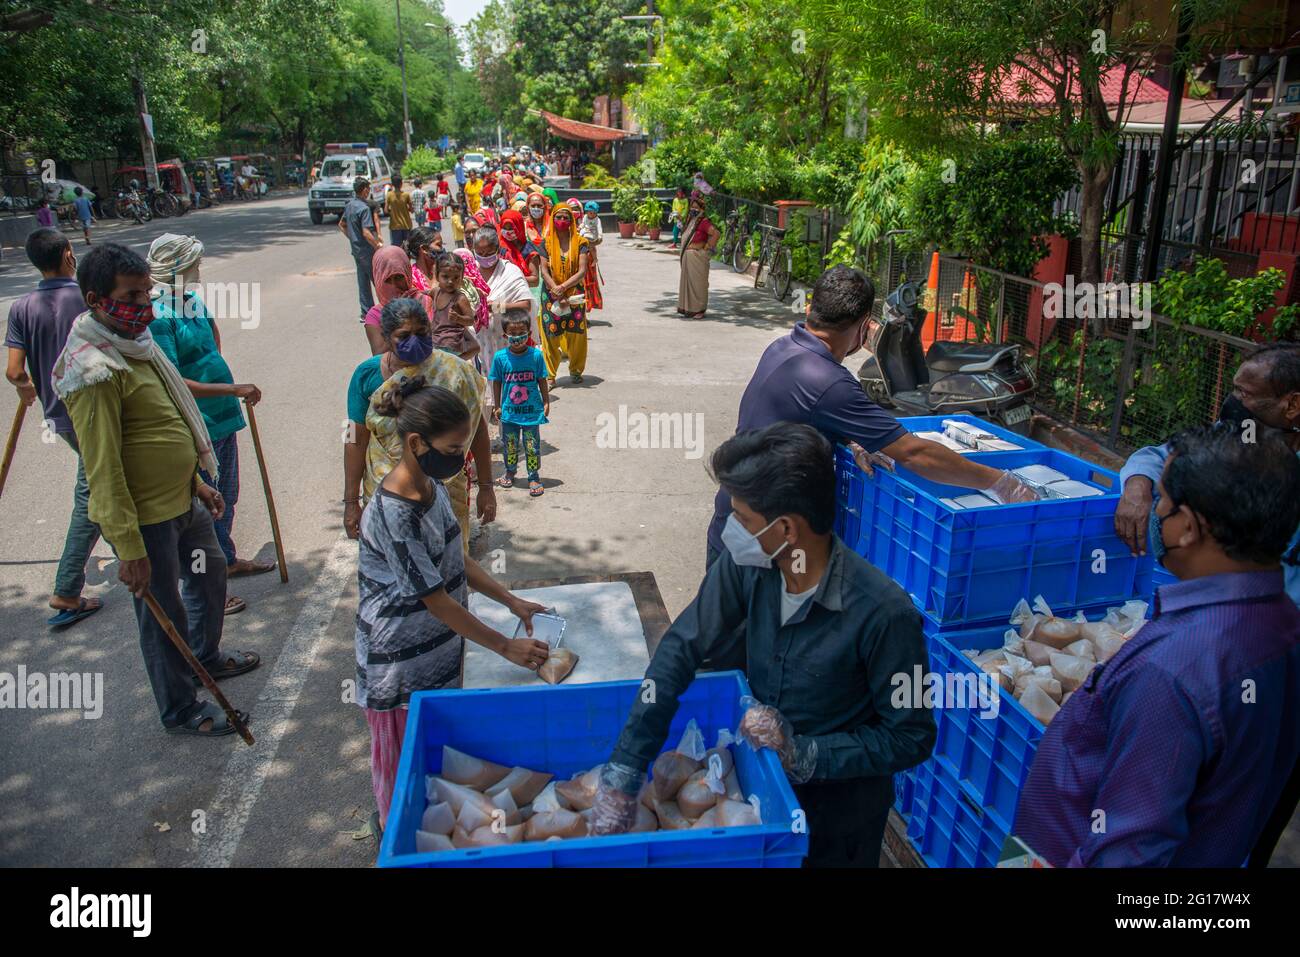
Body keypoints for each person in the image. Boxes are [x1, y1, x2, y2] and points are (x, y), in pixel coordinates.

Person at [588, 424, 936, 866]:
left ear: (786, 528)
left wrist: (805, 753)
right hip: (760, 799)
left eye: (744, 519)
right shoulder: (753, 565)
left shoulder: (886, 614)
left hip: (837, 822)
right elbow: (681, 648)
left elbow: (911, 736)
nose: (732, 529)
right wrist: (625, 770)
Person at [1015, 423, 1300, 866]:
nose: (1154, 512)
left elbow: (1127, 851)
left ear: (1187, 526)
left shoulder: (1171, 671)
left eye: (1162, 501)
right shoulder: (1282, 620)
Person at [52, 244, 260, 736]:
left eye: (147, 290)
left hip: (185, 501)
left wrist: (195, 481)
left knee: (209, 579)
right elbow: (103, 467)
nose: (145, 302)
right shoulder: (93, 368)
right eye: (132, 294)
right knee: (160, 612)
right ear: (96, 299)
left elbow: (160, 425)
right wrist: (127, 549)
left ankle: (205, 658)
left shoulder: (138, 344)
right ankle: (181, 709)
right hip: (145, 519)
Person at [707, 266, 1037, 568]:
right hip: (763, 544)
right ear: (865, 326)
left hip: (735, 521)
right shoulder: (829, 381)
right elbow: (915, 453)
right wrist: (999, 482)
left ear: (812, 309)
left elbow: (802, 416)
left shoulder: (783, 347)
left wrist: (852, 438)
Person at [355, 378, 549, 832]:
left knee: (435, 772)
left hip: (438, 653)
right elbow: (436, 599)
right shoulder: (394, 512)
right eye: (454, 446)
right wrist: (505, 647)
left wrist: (511, 600)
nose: (461, 456)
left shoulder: (431, 485)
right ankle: (395, 843)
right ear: (416, 443)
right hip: (399, 667)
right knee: (403, 779)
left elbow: (455, 556)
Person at [1114, 343, 1300, 606]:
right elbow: (1163, 456)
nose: (1233, 401)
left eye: (1244, 393)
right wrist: (1137, 486)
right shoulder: (1241, 435)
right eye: (1234, 388)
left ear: (1292, 404)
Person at [146, 233, 274, 614]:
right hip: (195, 423)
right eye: (193, 267)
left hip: (221, 415)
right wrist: (232, 387)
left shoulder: (191, 302)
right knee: (207, 504)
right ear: (174, 270)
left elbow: (212, 344)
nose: (198, 272)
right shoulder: (159, 315)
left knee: (228, 494)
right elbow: (172, 379)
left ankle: (228, 560)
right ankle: (209, 585)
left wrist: (225, 388)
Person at [5, 228, 104, 627]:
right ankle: (66, 588)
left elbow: (14, 371)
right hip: (95, 410)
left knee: (100, 483)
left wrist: (28, 387)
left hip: (59, 415)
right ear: (67, 254)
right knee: (95, 493)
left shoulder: (22, 306)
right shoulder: (86, 296)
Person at [343, 297, 496, 550]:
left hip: (447, 491)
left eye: (421, 333)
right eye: (404, 336)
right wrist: (350, 502)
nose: (414, 341)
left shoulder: (454, 369)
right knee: (397, 567)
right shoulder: (367, 375)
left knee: (450, 562)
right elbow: (353, 439)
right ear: (386, 336)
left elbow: (477, 429)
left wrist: (487, 487)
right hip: (387, 494)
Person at [490, 309, 550, 497]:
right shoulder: (500, 358)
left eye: (521, 333)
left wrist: (546, 401)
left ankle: (533, 476)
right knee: (510, 444)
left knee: (532, 445)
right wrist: (497, 405)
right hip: (509, 413)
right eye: (512, 334)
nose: (517, 338)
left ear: (529, 334)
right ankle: (510, 471)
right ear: (505, 335)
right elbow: (496, 381)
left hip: (531, 412)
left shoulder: (536, 356)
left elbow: (542, 379)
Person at [470, 225, 533, 391]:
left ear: (497, 249)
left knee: (508, 387)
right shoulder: (470, 273)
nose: (484, 257)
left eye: (488, 253)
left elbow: (525, 304)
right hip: (479, 344)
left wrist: (497, 307)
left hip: (505, 342)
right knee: (483, 387)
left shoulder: (510, 272)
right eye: (480, 253)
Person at [538, 204, 590, 385]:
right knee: (550, 333)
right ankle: (550, 375)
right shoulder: (545, 243)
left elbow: (582, 271)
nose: (562, 221)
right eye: (558, 217)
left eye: (566, 218)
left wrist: (564, 287)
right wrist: (555, 288)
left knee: (576, 332)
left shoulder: (581, 243)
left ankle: (575, 370)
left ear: (572, 220)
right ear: (552, 219)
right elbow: (544, 270)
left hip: (574, 293)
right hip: (551, 294)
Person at [362, 245, 419, 355]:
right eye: (387, 280)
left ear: (407, 275)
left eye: (398, 277)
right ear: (379, 280)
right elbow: (378, 354)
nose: (394, 285)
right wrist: (399, 315)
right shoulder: (374, 315)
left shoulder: (423, 301)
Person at [340, 177, 383, 321]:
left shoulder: (350, 205)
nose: (368, 192)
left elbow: (342, 225)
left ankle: (367, 312)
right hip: (366, 250)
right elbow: (366, 232)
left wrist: (352, 238)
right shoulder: (364, 208)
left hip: (356, 250)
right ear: (364, 189)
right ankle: (385, 309)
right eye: (368, 189)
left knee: (363, 281)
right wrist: (377, 247)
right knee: (377, 280)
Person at [427, 252, 477, 360]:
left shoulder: (460, 298)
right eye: (445, 277)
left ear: (462, 277)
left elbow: (470, 320)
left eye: (456, 278)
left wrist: (458, 318)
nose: (450, 281)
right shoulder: (436, 292)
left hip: (452, 344)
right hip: (435, 343)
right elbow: (422, 294)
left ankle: (459, 363)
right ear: (437, 276)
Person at [677, 194, 718, 318]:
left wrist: (705, 247)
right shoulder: (692, 221)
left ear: (702, 210)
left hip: (698, 259)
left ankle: (700, 310)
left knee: (698, 285)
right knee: (690, 285)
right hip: (689, 260)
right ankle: (690, 308)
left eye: (696, 208)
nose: (693, 210)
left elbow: (716, 233)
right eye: (692, 208)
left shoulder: (704, 222)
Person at [578, 200, 604, 311]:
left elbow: (600, 230)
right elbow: (582, 225)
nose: (591, 215)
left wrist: (600, 237)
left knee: (592, 247)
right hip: (584, 234)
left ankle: (595, 258)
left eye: (593, 213)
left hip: (592, 236)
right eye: (589, 212)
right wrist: (579, 228)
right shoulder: (584, 218)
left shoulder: (597, 220)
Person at [385, 174, 413, 248]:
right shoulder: (406, 195)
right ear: (401, 184)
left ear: (392, 184)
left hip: (395, 226)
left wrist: (392, 211)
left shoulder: (389, 195)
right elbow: (412, 209)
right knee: (408, 247)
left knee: (397, 248)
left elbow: (386, 210)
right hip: (406, 225)